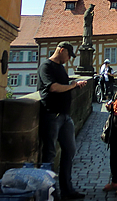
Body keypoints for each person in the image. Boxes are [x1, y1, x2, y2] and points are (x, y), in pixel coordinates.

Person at [37, 42, 88, 200]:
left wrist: (74, 85)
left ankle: (67, 190)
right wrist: (72, 85)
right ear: (62, 50)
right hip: (52, 115)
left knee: (70, 151)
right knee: (49, 154)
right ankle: (50, 192)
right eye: (68, 55)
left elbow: (64, 86)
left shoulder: (60, 67)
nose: (69, 59)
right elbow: (53, 87)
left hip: (65, 116)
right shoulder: (46, 66)